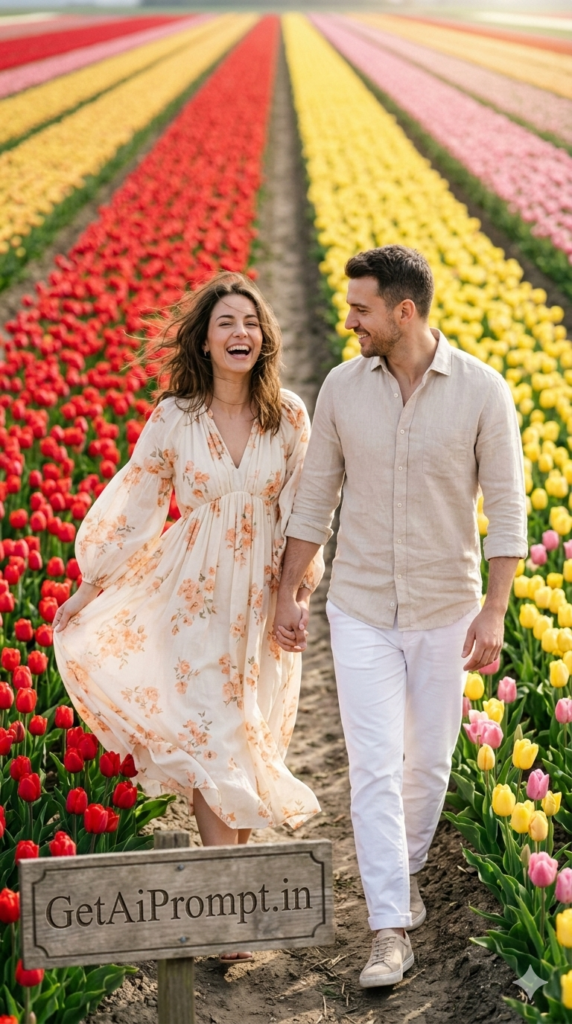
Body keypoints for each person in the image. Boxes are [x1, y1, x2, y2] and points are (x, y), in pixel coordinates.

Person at [273, 245, 527, 987]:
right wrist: (293, 589)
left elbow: (508, 510)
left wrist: (496, 611)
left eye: (360, 309)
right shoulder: (343, 389)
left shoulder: (484, 392)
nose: (349, 320)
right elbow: (315, 497)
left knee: (432, 763)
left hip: (446, 606)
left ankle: (405, 869)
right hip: (359, 607)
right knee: (376, 768)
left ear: (402, 312)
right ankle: (389, 928)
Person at [53, 271, 323, 960]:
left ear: (265, 340)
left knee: (246, 737)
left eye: (251, 323)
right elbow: (138, 500)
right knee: (210, 745)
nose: (241, 333)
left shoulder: (288, 416)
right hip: (194, 596)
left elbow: (306, 515)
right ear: (203, 339)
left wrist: (298, 593)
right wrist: (92, 585)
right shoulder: (175, 418)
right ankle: (229, 916)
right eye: (227, 322)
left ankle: (226, 902)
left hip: (261, 599)